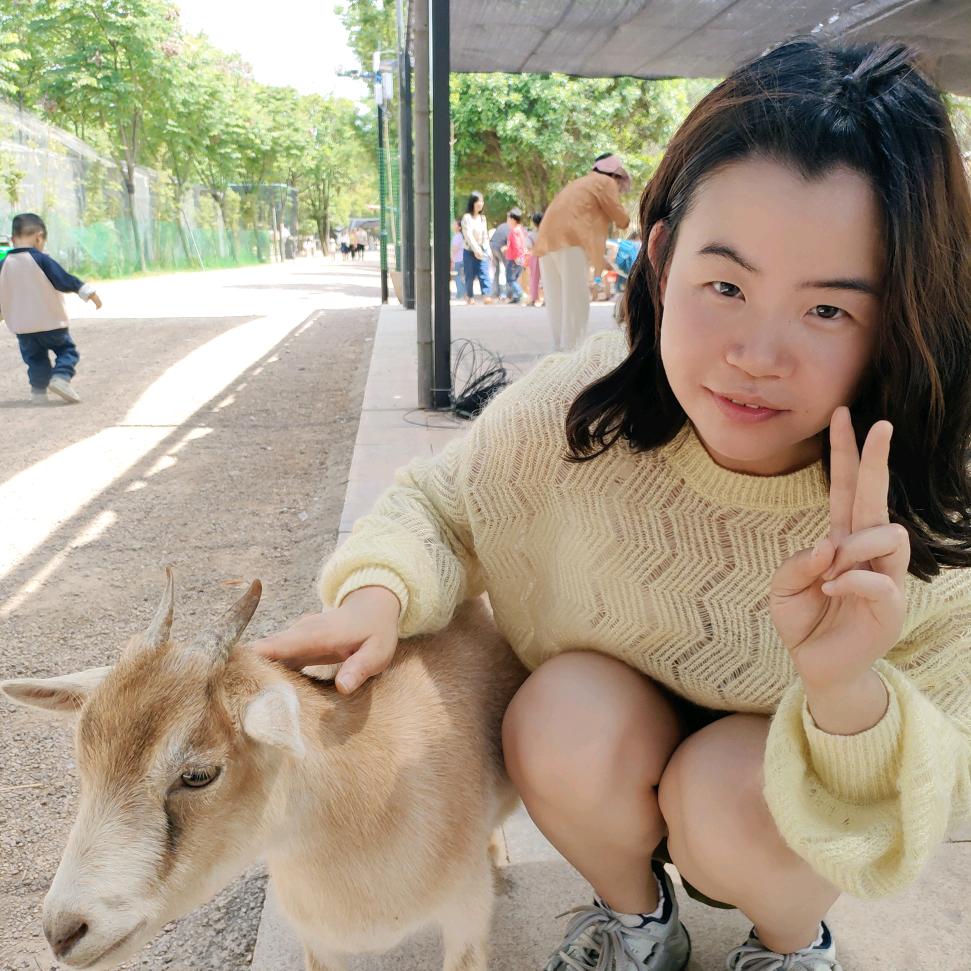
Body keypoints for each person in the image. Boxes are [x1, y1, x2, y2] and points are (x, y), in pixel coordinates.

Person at [253, 40, 971, 971]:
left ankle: (791, 943)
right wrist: (377, 596)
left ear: (905, 311)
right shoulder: (580, 409)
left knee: (724, 794)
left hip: (769, 806)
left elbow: (927, 784)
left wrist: (844, 691)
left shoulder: (931, 506)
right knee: (555, 716)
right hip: (613, 760)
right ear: (663, 260)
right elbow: (439, 503)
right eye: (725, 285)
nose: (755, 356)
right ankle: (639, 923)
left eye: (828, 310)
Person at [0, 213, 102, 404]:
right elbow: (63, 279)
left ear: (13, 239)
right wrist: (88, 292)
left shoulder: (3, 265)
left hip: (23, 328)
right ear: (39, 237)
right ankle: (61, 378)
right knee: (66, 351)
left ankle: (38, 393)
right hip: (51, 322)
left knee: (35, 359)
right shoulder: (42, 260)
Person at [534, 153, 631, 350]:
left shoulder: (582, 182)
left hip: (545, 240)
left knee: (557, 300)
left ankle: (558, 350)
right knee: (575, 299)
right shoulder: (605, 182)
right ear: (614, 174)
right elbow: (621, 219)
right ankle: (573, 350)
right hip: (570, 240)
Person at [460, 191, 493, 305]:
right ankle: (470, 296)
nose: (481, 204)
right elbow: (468, 236)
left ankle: (486, 295)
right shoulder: (467, 218)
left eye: (482, 201)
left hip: (482, 250)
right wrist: (476, 250)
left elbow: (485, 236)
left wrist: (488, 250)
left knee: (484, 272)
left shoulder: (482, 218)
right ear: (472, 203)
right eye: (478, 201)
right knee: (469, 275)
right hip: (469, 251)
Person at [503, 208, 528, 305]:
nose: (507, 221)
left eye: (508, 218)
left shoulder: (514, 231)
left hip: (514, 258)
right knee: (515, 278)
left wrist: (517, 256)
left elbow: (517, 245)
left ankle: (520, 294)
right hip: (520, 258)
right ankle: (516, 297)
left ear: (513, 220)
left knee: (510, 279)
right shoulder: (521, 229)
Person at [526, 211, 544, 307]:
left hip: (535, 256)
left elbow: (528, 245)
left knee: (534, 278)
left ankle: (534, 299)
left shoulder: (531, 234)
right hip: (546, 256)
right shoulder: (546, 233)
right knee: (546, 278)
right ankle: (547, 298)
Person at [490, 219, 510, 300]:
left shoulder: (502, 225)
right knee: (508, 270)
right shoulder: (510, 227)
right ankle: (509, 293)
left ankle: (495, 292)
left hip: (492, 246)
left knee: (497, 271)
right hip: (500, 247)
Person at [451, 219, 466, 300]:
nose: (453, 226)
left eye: (455, 224)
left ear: (459, 227)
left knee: (458, 277)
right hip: (462, 259)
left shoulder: (457, 236)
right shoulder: (461, 236)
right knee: (461, 276)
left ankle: (460, 293)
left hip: (458, 260)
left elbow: (454, 249)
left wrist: (452, 259)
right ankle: (464, 293)